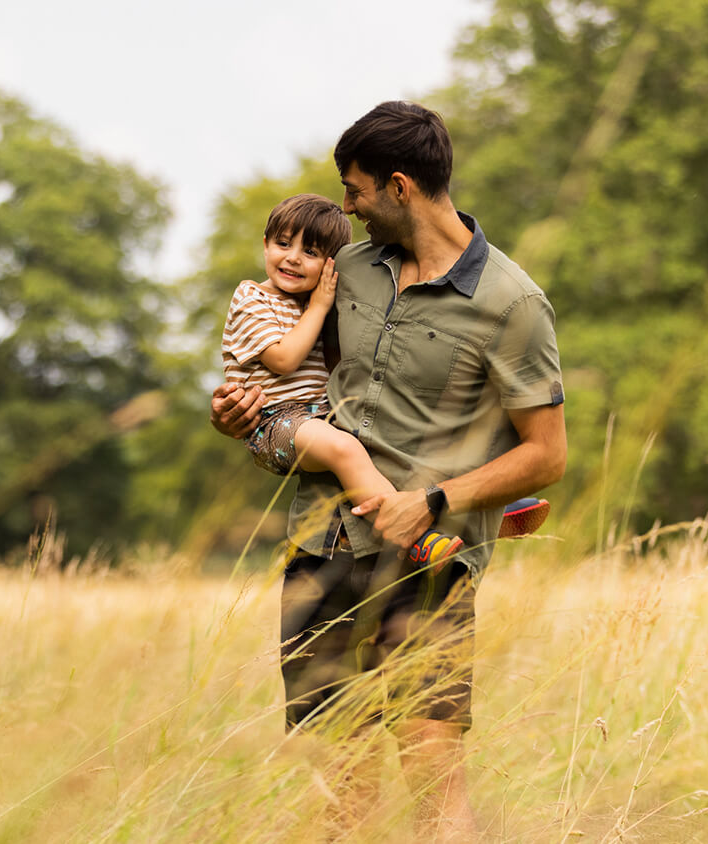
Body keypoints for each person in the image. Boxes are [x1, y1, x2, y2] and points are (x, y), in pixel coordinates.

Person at [211, 101, 567, 839]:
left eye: (355, 192)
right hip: (320, 550)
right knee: (340, 790)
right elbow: (297, 388)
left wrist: (435, 500)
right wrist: (240, 417)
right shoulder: (344, 272)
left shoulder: (512, 303)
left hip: (426, 564)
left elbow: (547, 455)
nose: (346, 208)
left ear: (399, 187)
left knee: (431, 770)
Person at [221, 193, 465, 566]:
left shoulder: (314, 303)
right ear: (266, 243)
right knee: (346, 450)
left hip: (321, 416)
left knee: (387, 440)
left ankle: (473, 503)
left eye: (311, 252)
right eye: (283, 243)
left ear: (331, 265)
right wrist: (319, 307)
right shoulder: (252, 297)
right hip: (275, 423)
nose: (293, 258)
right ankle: (414, 537)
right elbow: (283, 359)